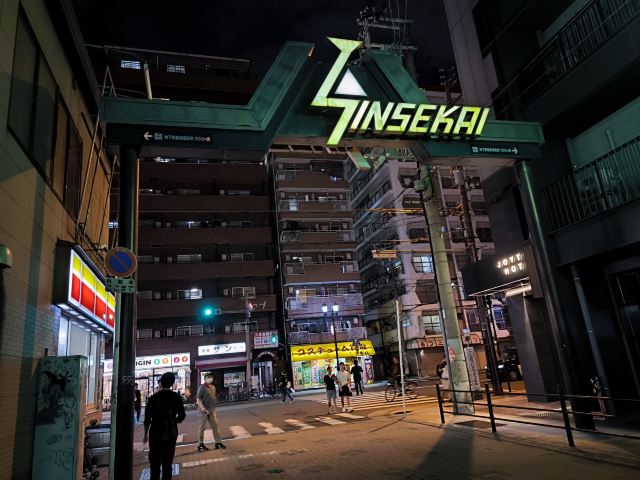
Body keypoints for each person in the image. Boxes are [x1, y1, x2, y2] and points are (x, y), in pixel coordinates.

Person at [143, 372, 186, 480]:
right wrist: (174, 421)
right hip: (171, 433)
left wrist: (145, 435)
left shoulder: (153, 398)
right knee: (167, 463)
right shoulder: (176, 397)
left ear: (161, 383)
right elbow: (182, 416)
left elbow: (147, 419)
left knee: (154, 463)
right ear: (172, 383)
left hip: (155, 433)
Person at [196, 372, 226, 452]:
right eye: (208, 377)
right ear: (205, 379)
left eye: (211, 377)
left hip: (211, 410)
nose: (210, 379)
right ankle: (200, 444)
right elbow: (198, 399)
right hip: (203, 411)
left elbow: (212, 398)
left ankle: (218, 443)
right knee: (202, 428)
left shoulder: (213, 387)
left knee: (215, 426)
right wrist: (202, 408)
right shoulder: (202, 387)